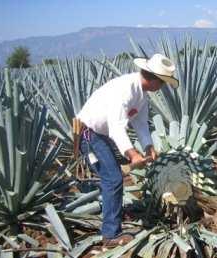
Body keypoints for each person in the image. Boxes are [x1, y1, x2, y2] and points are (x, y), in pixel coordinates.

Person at [77, 54, 179, 247]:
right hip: (90, 134)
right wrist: (133, 154)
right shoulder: (126, 89)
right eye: (163, 82)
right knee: (113, 179)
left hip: (101, 135)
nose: (163, 87)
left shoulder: (141, 94)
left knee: (112, 179)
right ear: (154, 79)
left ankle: (112, 216)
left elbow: (140, 124)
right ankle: (110, 235)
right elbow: (116, 127)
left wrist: (148, 146)